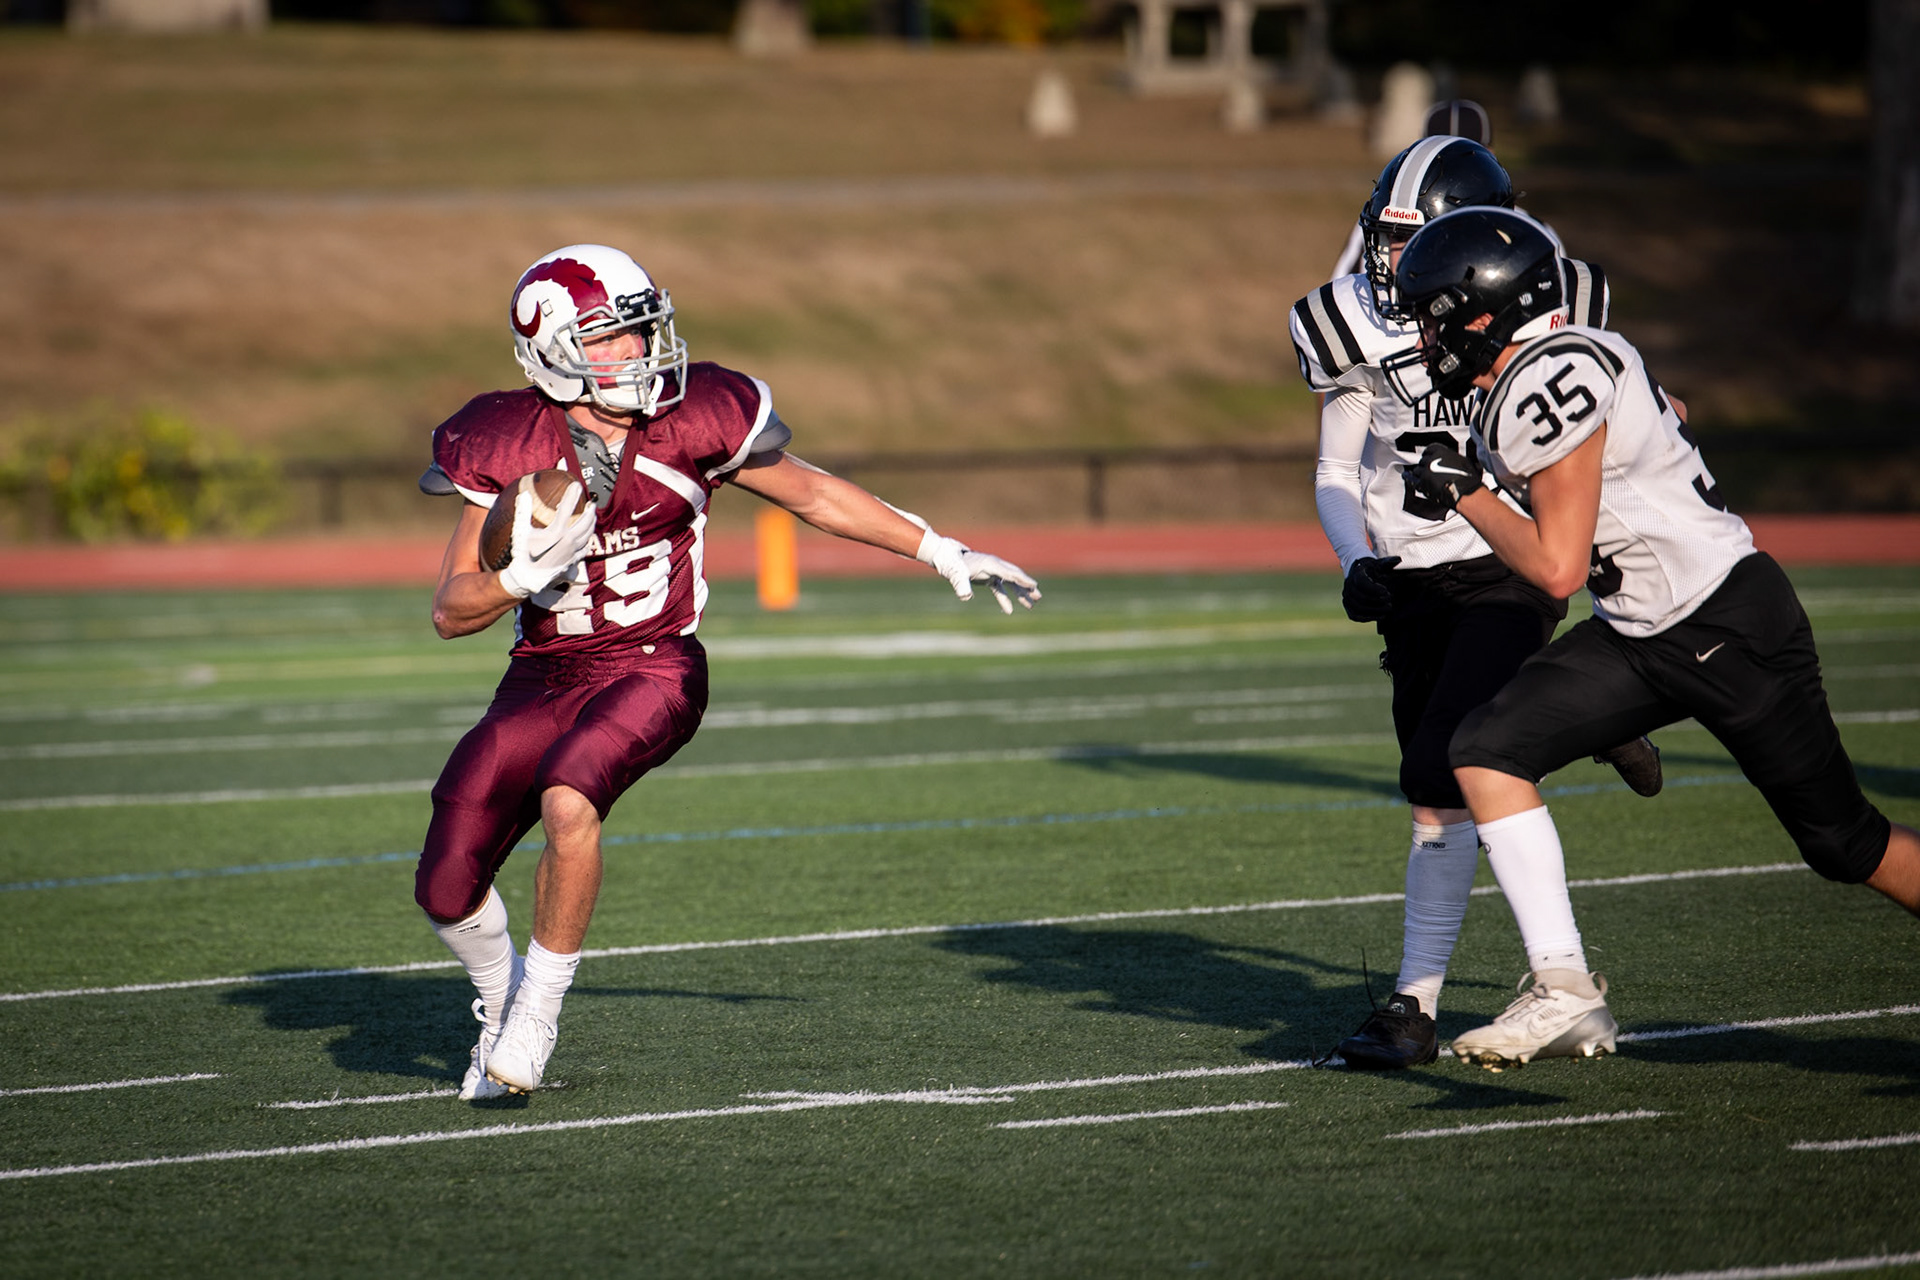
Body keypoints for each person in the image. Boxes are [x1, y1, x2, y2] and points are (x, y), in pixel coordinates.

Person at [416, 243, 1041, 1098]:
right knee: (446, 885)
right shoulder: (504, 437)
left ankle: (540, 1012)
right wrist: (522, 576)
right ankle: (500, 999)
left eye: (640, 332)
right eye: (611, 338)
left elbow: (814, 495)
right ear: (553, 349)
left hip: (653, 666)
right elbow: (452, 612)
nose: (638, 352)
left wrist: (940, 547)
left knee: (571, 796)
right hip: (541, 674)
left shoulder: (692, 418)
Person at [1392, 207, 1920, 1069]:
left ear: (1482, 311)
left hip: (1725, 625)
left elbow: (1557, 568)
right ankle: (1563, 989)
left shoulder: (1543, 382)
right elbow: (1664, 409)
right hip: (1643, 628)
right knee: (1483, 748)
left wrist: (1467, 497)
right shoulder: (1566, 358)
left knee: (1845, 843)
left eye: (1435, 311)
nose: (1426, 331)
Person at [1289, 137, 1656, 1071]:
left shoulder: (1542, 295)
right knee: (1431, 798)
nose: (1388, 257)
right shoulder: (1353, 322)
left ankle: (1550, 984)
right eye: (1390, 233)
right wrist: (1352, 561)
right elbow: (1337, 466)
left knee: (1446, 757)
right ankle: (1415, 1008)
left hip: (1504, 565)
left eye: (1418, 235)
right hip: (1409, 577)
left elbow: (1596, 433)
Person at [1326, 100, 1553, 282]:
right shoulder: (1385, 217)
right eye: (1399, 236)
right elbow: (1346, 287)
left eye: (1467, 153)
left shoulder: (1535, 234)